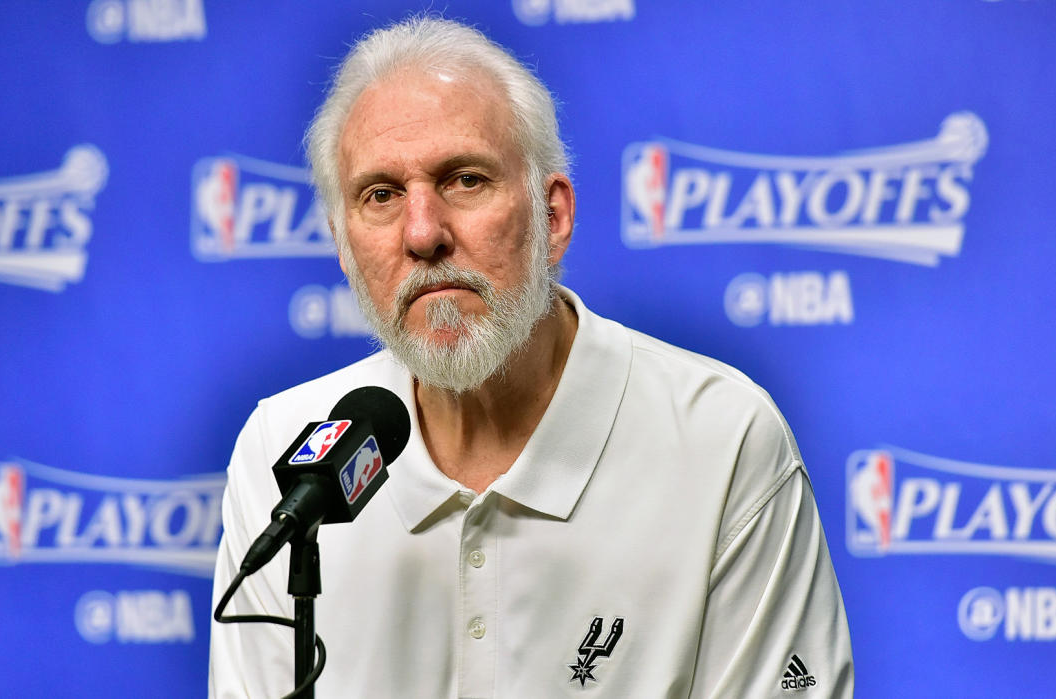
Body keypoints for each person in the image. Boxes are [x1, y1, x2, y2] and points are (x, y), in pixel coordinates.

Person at [210, 16, 853, 698]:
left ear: (555, 217)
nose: (423, 233)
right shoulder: (284, 451)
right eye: (381, 195)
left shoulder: (723, 440)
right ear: (343, 247)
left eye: (464, 179)